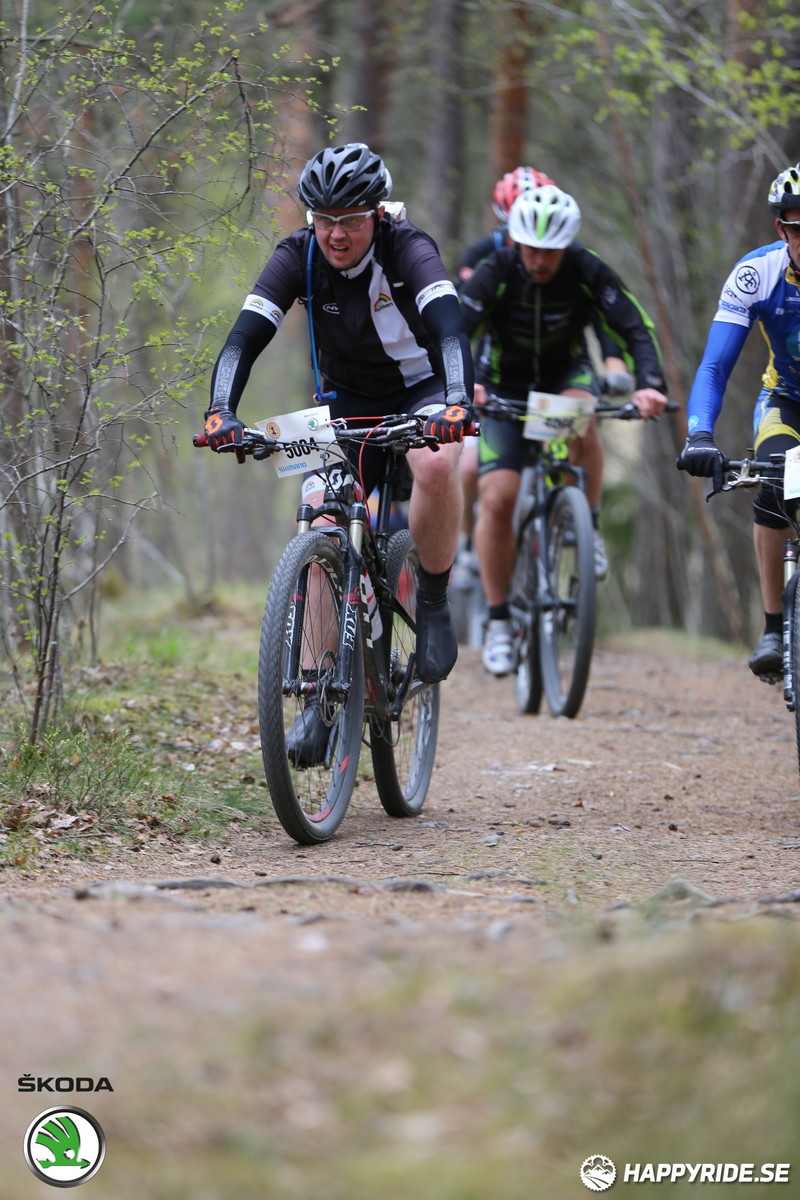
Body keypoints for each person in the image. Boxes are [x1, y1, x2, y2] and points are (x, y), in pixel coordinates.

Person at [204, 142, 474, 761]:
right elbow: (243, 339)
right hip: (347, 403)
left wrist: (457, 399)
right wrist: (222, 410)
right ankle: (323, 699)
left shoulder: (409, 248)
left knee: (434, 462)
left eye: (350, 219)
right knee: (323, 517)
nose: (336, 233)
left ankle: (431, 602)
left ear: (376, 214)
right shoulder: (297, 257)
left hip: (424, 389)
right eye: (324, 219)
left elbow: (451, 329)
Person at [459, 184, 668, 676]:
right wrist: (464, 385)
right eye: (530, 249)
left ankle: (586, 524)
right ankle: (499, 622)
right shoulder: (496, 270)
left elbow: (633, 325)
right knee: (498, 499)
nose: (539, 260)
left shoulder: (585, 268)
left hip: (563, 380)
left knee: (583, 419)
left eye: (549, 251)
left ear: (566, 245)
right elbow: (454, 331)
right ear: (516, 241)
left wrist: (649, 385)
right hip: (502, 385)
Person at [456, 168, 635, 583]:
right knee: (470, 470)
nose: (532, 247)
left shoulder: (570, 262)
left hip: (555, 375)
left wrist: (615, 363)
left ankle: (581, 520)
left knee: (578, 426)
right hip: (495, 371)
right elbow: (464, 323)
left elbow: (598, 317)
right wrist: (464, 381)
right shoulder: (485, 258)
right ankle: (468, 543)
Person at [677, 161, 800, 683]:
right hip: (787, 399)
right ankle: (774, 627)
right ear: (781, 228)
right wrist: (700, 433)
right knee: (775, 475)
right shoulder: (757, 273)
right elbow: (715, 366)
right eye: (799, 227)